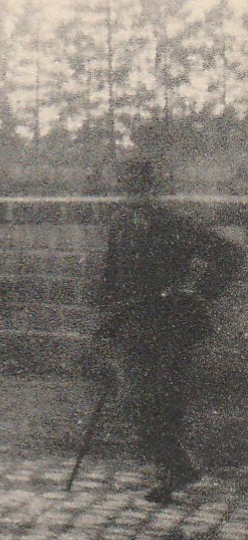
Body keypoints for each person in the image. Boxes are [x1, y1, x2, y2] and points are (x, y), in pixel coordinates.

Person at [98, 155, 244, 503]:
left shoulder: (175, 223)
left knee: (152, 400)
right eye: (126, 186)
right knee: (138, 400)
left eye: (138, 186)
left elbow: (230, 256)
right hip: (131, 325)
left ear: (152, 189)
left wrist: (198, 292)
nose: (131, 193)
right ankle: (176, 467)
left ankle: (175, 468)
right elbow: (111, 278)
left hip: (168, 325)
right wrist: (109, 319)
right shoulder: (120, 225)